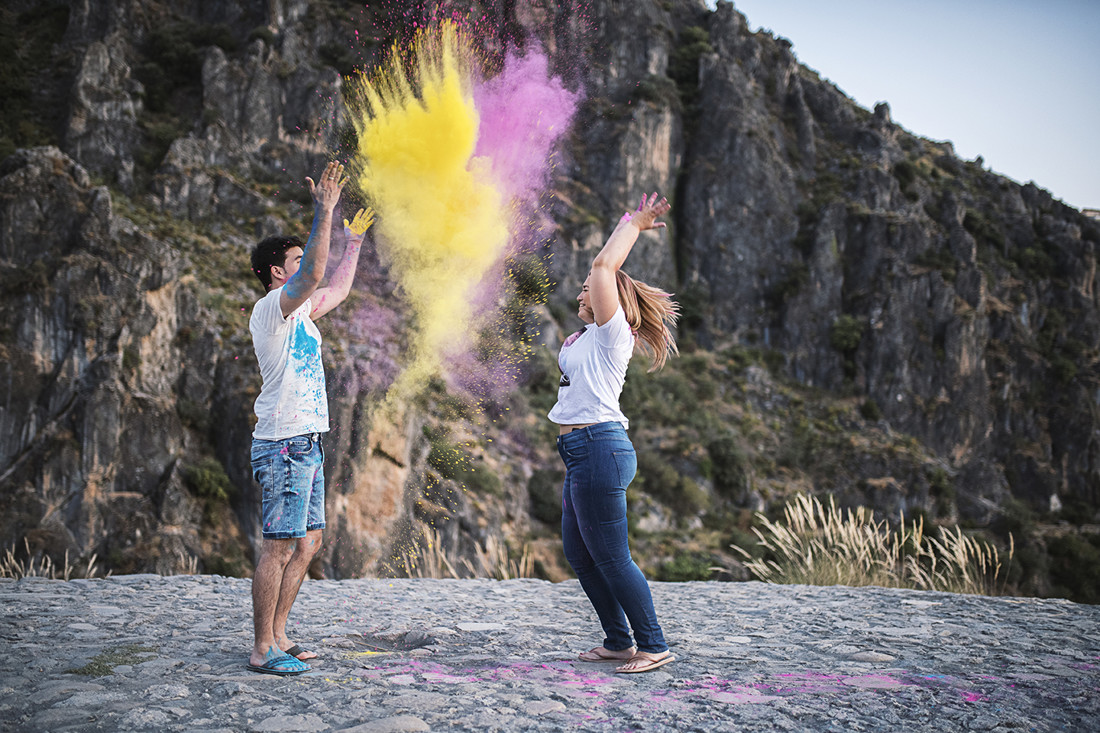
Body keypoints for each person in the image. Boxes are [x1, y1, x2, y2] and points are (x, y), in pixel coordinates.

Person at [245, 161, 374, 676]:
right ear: (280, 272)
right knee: (278, 546)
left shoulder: (300, 313)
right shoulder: (271, 309)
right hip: (282, 441)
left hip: (308, 441)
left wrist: (355, 244)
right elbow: (316, 275)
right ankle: (261, 649)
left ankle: (279, 636)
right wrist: (323, 209)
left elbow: (334, 289)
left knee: (309, 542)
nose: (304, 266)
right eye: (295, 260)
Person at [549, 192, 680, 674]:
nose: (582, 293)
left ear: (610, 300)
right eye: (583, 289)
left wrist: (633, 223)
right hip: (579, 452)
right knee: (580, 554)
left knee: (612, 556)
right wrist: (569, 347)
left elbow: (605, 268)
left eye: (587, 289)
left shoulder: (613, 332)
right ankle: (619, 640)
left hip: (600, 448)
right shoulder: (584, 338)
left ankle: (653, 643)